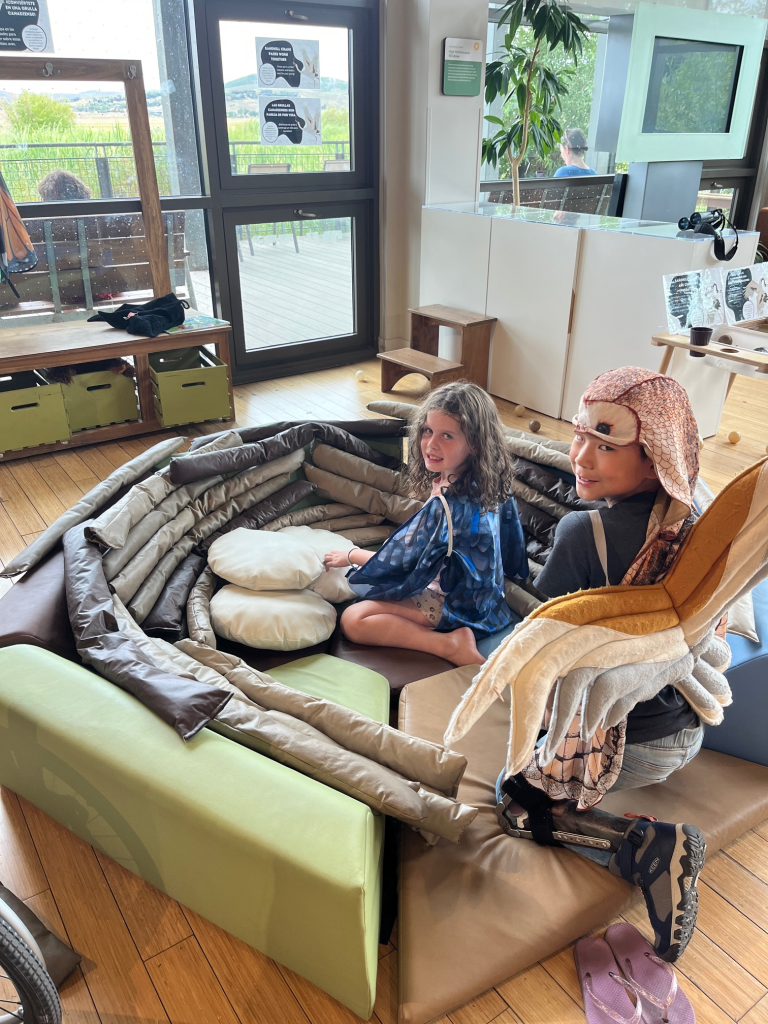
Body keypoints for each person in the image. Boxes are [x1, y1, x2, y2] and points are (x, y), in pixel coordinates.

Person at [496, 368, 707, 965]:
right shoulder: (695, 515)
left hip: (631, 744)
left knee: (512, 798)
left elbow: (538, 652)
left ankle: (646, 848)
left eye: (606, 444)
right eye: (580, 434)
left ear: (653, 459)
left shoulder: (580, 532)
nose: (581, 456)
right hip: (686, 722)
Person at [323, 381, 529, 667]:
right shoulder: (489, 484)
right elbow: (511, 539)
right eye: (428, 431)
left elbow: (405, 566)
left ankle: (449, 645)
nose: (431, 444)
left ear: (475, 444)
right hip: (487, 599)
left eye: (447, 436)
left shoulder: (446, 507)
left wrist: (350, 555)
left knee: (354, 619)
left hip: (456, 605)